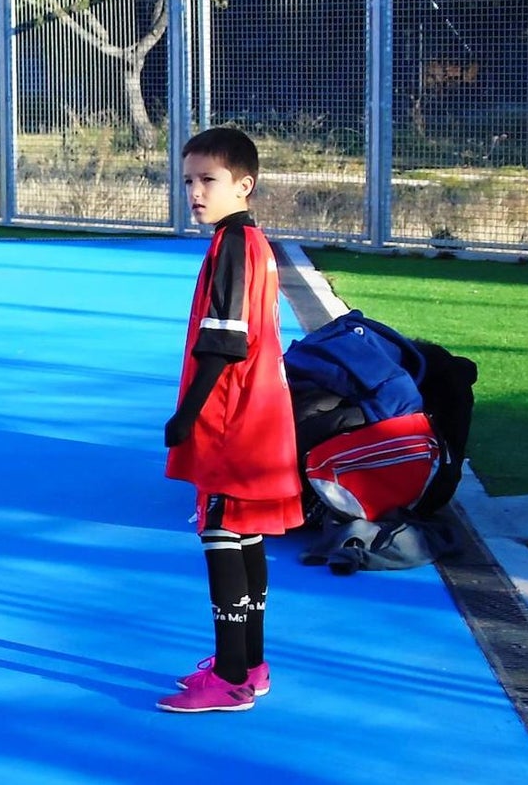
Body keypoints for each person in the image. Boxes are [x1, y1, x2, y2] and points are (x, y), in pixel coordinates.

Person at [156, 127, 304, 713]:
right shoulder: (251, 242)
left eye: (208, 180)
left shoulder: (234, 247)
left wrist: (185, 416)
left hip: (231, 420)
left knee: (220, 534)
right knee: (244, 536)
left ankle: (233, 676)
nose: (195, 191)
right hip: (257, 415)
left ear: (244, 185)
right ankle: (247, 663)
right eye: (188, 180)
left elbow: (224, 343)